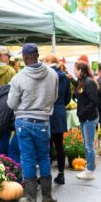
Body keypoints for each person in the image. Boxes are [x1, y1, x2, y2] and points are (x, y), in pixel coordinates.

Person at [7, 44, 58, 202]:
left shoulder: (18, 78)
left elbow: (11, 104)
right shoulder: (52, 74)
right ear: (37, 55)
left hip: (24, 122)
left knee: (28, 158)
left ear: (25, 57)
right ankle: (47, 197)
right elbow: (54, 97)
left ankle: (30, 199)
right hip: (43, 121)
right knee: (44, 157)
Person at [42, 54, 71, 185]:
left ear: (48, 62)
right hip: (59, 112)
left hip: (47, 111)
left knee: (46, 145)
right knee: (59, 145)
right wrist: (60, 105)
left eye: (43, 61)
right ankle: (61, 174)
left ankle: (45, 175)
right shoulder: (64, 76)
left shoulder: (47, 75)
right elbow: (68, 98)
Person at [74, 59, 100, 181]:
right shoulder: (82, 81)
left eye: (75, 70)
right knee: (87, 144)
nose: (74, 72)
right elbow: (80, 95)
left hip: (89, 117)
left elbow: (94, 101)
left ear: (80, 70)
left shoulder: (89, 82)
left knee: (89, 145)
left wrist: (82, 112)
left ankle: (90, 170)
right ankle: (88, 168)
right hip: (84, 117)